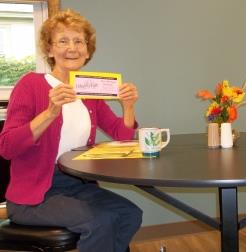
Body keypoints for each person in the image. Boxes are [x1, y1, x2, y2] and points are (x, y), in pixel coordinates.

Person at [0, 9, 142, 252]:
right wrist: (50, 113)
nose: (72, 48)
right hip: (34, 195)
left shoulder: (89, 90)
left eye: (78, 41)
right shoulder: (30, 85)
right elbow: (7, 147)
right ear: (49, 49)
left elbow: (123, 135)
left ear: (87, 50)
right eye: (63, 41)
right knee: (100, 221)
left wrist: (128, 108)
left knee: (130, 213)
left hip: (78, 185)